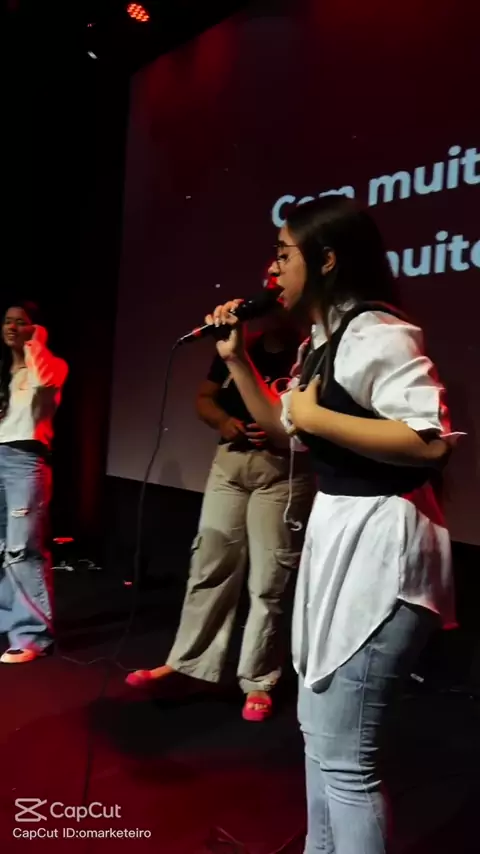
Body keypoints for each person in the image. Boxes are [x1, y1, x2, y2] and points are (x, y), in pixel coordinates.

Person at [202, 198, 458, 852]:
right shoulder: (322, 342)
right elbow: (286, 425)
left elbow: (430, 441)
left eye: (283, 255)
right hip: (341, 534)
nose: (271, 270)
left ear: (327, 260)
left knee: (346, 760)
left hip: (384, 547)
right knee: (318, 738)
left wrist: (316, 418)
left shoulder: (375, 332)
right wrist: (236, 360)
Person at [126, 301, 314, 721]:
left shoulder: (308, 350)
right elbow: (205, 399)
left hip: (283, 472)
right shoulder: (241, 345)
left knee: (270, 580)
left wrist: (276, 430)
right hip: (230, 465)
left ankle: (259, 679)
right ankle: (188, 665)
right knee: (209, 565)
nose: (272, 301)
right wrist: (224, 422)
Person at [0, 301, 68, 664]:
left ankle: (32, 635)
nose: (12, 327)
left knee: (22, 548)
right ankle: (7, 620)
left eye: (21, 322)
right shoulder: (2, 371)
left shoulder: (51, 365)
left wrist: (35, 342)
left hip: (26, 459)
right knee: (1, 546)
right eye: (7, 321)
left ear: (36, 328)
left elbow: (45, 384)